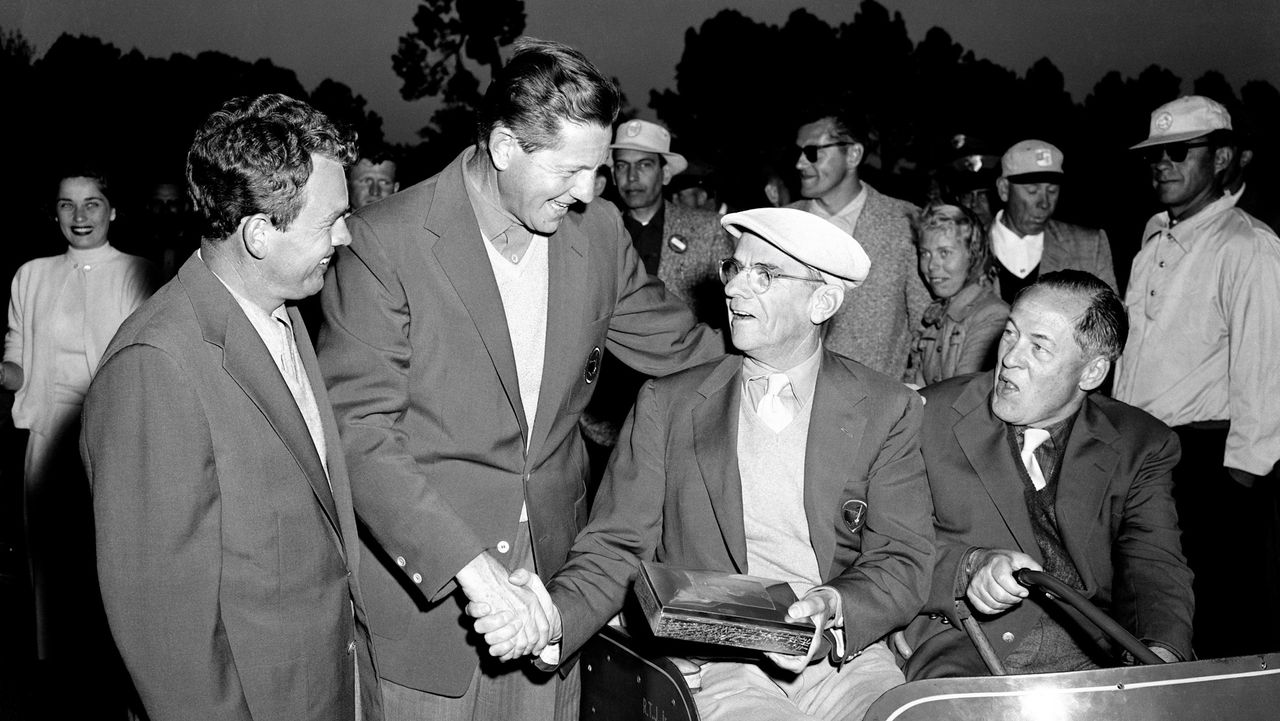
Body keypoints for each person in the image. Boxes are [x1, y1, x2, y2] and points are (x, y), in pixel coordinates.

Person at [316, 38, 726, 719]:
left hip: (551, 608)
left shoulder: (596, 234)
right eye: (571, 171)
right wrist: (474, 571)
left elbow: (683, 347)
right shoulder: (385, 242)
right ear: (505, 147)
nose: (591, 192)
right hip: (431, 616)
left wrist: (803, 370)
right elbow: (357, 434)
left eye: (598, 171)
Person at [487, 208, 936, 721]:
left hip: (845, 659)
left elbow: (903, 558)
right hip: (720, 664)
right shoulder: (668, 404)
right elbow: (616, 545)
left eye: (764, 274)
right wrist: (554, 619)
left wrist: (835, 607)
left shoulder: (885, 407)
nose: (736, 288)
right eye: (735, 269)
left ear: (823, 301)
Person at [81, 94, 382, 721]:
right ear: (258, 234)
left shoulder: (285, 315)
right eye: (330, 222)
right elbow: (167, 638)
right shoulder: (154, 366)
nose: (347, 237)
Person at [901, 271, 1192, 679]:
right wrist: (968, 566)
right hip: (966, 648)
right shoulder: (927, 416)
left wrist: (1161, 654)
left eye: (1038, 347)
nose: (1010, 358)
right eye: (1010, 334)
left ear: (1091, 373)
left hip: (1095, 655)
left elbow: (1154, 564)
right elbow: (885, 548)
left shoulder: (1141, 443)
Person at [1114, 95, 1280, 658]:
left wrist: (1242, 478)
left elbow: (1266, 368)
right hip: (1143, 453)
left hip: (1209, 463)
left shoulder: (1248, 245)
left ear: (1224, 156)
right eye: (1154, 153)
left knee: (1222, 618)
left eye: (1180, 150)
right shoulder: (1153, 234)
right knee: (1155, 612)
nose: (1163, 162)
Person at [4, 169, 153, 673]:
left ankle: (116, 668)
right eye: (67, 205)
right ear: (55, 213)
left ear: (113, 210)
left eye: (92, 203)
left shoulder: (140, 274)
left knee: (111, 558)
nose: (80, 216)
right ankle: (57, 675)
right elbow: (16, 361)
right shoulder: (31, 274)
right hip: (48, 439)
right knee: (49, 563)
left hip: (114, 440)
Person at [790, 105, 929, 380]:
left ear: (853, 154)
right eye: (798, 152)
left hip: (877, 405)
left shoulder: (906, 223)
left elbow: (926, 327)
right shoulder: (779, 225)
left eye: (812, 153)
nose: (800, 163)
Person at [609, 118, 732, 323]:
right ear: (613, 175)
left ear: (665, 174)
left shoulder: (708, 231)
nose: (631, 177)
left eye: (644, 165)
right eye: (622, 166)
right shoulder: (599, 233)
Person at [989, 140, 1116, 302]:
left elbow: (1111, 321)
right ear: (1004, 189)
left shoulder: (1090, 246)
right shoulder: (969, 245)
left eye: (1052, 191)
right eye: (1032, 191)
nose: (1044, 203)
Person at [905, 203, 1008, 387]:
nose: (931, 266)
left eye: (944, 252)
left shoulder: (992, 316)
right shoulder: (938, 312)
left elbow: (964, 397)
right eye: (925, 253)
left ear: (973, 254)